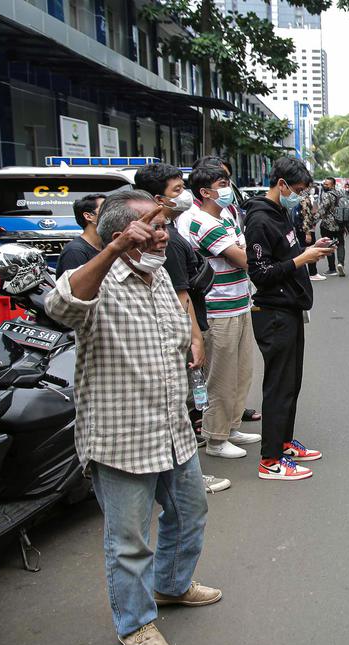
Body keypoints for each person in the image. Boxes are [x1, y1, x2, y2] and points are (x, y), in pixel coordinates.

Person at [46, 190, 221, 645]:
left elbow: (175, 324)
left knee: (189, 513)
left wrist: (193, 337)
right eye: (154, 226)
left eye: (164, 225)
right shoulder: (99, 277)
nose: (164, 233)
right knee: (129, 542)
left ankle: (171, 586)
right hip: (122, 439)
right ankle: (135, 622)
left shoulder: (159, 273)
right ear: (124, 232)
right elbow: (61, 308)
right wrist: (113, 250)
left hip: (171, 429)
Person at [133, 163, 229, 494]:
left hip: (186, 328)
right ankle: (184, 478)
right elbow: (181, 294)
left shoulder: (171, 233)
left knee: (183, 404)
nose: (183, 195)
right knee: (179, 407)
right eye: (177, 191)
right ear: (156, 199)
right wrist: (195, 338)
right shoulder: (166, 242)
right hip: (181, 335)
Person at [244, 157, 336, 481]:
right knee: (278, 387)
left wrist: (313, 250)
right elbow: (260, 272)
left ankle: (284, 442)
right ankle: (270, 461)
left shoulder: (282, 213)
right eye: (296, 190)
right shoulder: (259, 220)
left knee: (291, 383)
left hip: (291, 308)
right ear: (281, 184)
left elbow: (287, 255)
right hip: (273, 312)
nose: (299, 196)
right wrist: (302, 260)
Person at [184, 164, 260, 459]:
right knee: (221, 376)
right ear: (204, 192)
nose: (228, 186)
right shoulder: (202, 222)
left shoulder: (226, 216)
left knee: (242, 371)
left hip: (240, 301)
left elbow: (241, 249)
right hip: (219, 308)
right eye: (221, 182)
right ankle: (215, 438)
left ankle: (231, 426)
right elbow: (243, 258)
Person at [55, 193, 107, 276]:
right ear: (88, 216)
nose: (112, 213)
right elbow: (74, 287)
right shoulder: (75, 251)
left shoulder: (106, 246)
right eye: (106, 209)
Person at [318, 178, 346, 277]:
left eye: (327, 184)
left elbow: (322, 211)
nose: (324, 186)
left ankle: (332, 268)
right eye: (324, 184)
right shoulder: (341, 193)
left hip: (327, 225)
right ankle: (341, 264)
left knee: (329, 245)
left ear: (333, 185)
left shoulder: (327, 195)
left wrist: (313, 221)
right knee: (340, 244)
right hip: (340, 225)